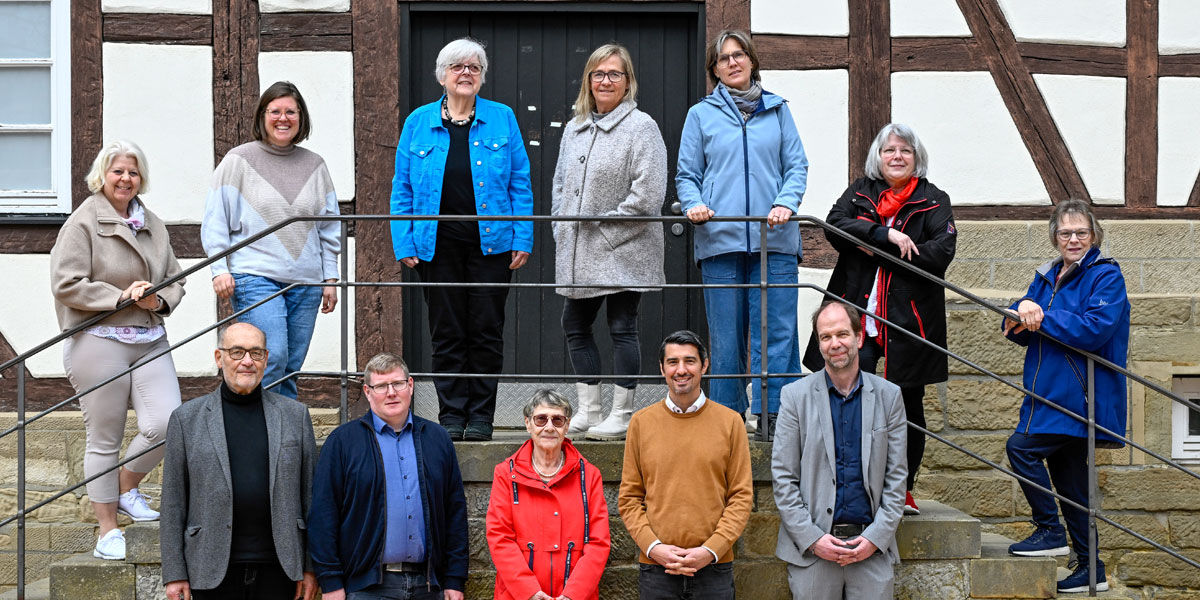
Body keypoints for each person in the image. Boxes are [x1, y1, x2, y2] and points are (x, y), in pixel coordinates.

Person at [803, 122, 956, 515]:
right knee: (849, 394)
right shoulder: (860, 191)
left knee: (908, 405)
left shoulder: (934, 199)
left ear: (916, 158)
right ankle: (852, 485)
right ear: (878, 157)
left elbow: (941, 252)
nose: (897, 157)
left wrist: (880, 250)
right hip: (856, 313)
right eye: (890, 151)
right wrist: (882, 235)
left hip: (910, 318)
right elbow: (834, 226)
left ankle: (902, 489)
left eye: (905, 151)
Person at [390, 37, 534, 442]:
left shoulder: (502, 117)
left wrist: (523, 235)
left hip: (493, 245)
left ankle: (482, 417)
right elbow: (401, 188)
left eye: (474, 67)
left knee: (486, 330)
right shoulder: (418, 122)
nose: (466, 73)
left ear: (482, 76)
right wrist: (404, 241)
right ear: (443, 76)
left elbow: (520, 183)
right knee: (447, 331)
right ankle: (452, 415)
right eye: (458, 67)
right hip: (436, 247)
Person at [50, 140, 186, 561]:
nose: (126, 179)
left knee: (168, 422)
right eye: (118, 171)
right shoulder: (82, 223)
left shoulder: (154, 224)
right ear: (102, 176)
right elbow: (66, 283)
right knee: (103, 438)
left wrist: (157, 300)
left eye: (133, 172)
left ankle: (127, 487)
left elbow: (177, 278)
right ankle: (107, 529)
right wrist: (121, 296)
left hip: (148, 337)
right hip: (99, 338)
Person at [676, 29, 808, 429]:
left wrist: (786, 202)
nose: (732, 63)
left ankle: (774, 416)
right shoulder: (701, 114)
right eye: (723, 59)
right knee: (727, 337)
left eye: (739, 55)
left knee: (777, 333)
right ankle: (728, 417)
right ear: (714, 70)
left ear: (751, 61)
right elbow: (687, 174)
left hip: (776, 239)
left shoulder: (778, 110)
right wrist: (695, 203)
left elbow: (796, 166)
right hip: (720, 238)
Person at [1001, 199, 1129, 594]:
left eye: (1081, 233)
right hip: (1046, 394)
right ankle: (1091, 568)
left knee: (1020, 448)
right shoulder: (1045, 275)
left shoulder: (1106, 276)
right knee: (1071, 485)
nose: (1073, 239)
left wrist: (1041, 316)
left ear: (1094, 236)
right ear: (1054, 237)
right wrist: (1020, 310)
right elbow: (1017, 324)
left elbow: (1094, 329)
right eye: (1065, 233)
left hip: (1078, 397)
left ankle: (1049, 530)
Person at [551, 43, 667, 441]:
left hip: (625, 249)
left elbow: (648, 195)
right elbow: (561, 186)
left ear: (628, 81)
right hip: (578, 250)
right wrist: (560, 227)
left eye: (614, 74)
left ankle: (622, 412)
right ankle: (589, 409)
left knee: (621, 326)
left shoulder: (642, 127)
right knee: (574, 322)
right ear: (588, 80)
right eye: (598, 74)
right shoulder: (575, 127)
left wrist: (602, 228)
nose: (605, 81)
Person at [202, 81, 342, 400]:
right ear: (262, 116)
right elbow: (215, 221)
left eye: (290, 111)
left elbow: (329, 228)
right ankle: (259, 437)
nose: (283, 118)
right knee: (272, 357)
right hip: (254, 276)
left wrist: (330, 278)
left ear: (301, 117)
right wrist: (219, 269)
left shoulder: (315, 165)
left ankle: (284, 443)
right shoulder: (239, 161)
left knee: (290, 366)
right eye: (275, 111)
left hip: (305, 282)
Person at [160, 323, 318, 600]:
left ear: (266, 359)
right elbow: (173, 502)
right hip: (209, 568)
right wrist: (174, 573)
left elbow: (311, 498)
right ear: (219, 358)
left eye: (256, 353)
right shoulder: (187, 419)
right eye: (237, 352)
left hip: (281, 569)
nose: (247, 361)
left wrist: (310, 566)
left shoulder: (295, 416)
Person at [774, 300, 907, 599]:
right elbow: (783, 479)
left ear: (859, 338)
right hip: (813, 554)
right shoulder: (794, 397)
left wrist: (875, 538)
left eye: (842, 334)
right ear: (819, 344)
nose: (835, 344)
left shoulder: (889, 396)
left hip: (871, 550)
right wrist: (813, 539)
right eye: (825, 337)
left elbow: (897, 478)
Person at [309, 353, 468, 600]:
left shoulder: (437, 439)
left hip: (428, 587)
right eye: (381, 386)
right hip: (366, 588)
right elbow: (323, 515)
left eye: (397, 383)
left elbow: (455, 512)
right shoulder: (342, 442)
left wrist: (455, 579)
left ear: (411, 385)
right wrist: (330, 582)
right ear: (367, 391)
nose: (391, 392)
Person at [618, 331, 753, 600]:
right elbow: (630, 498)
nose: (681, 370)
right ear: (662, 368)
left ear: (704, 365)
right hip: (657, 569)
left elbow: (741, 496)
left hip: (714, 567)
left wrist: (711, 550)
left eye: (690, 361)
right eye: (673, 362)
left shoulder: (730, 423)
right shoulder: (641, 423)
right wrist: (654, 547)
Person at [485, 390, 611, 600]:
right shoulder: (505, 473)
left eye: (558, 420)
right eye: (541, 419)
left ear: (567, 426)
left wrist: (573, 594)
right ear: (528, 424)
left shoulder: (589, 475)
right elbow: (500, 537)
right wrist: (530, 592)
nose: (549, 427)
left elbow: (598, 542)